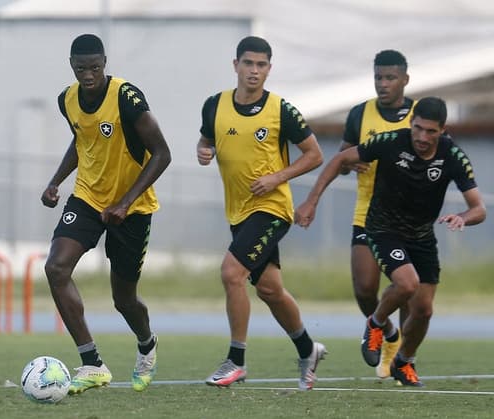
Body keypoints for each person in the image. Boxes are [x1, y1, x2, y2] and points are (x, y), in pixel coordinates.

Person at [295, 97, 486, 386]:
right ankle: (376, 323)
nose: (422, 137)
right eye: (417, 128)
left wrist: (463, 217)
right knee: (405, 284)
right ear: (411, 123)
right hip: (383, 228)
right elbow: (340, 159)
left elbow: (479, 209)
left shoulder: (453, 156)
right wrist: (311, 201)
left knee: (424, 311)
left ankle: (403, 361)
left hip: (421, 236)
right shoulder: (391, 142)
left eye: (430, 132)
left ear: (442, 130)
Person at [41, 34, 171, 394]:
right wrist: (55, 181)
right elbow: (82, 141)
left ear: (104, 64)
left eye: (95, 68)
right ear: (72, 65)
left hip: (133, 207)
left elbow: (162, 153)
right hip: (87, 198)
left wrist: (126, 202)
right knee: (56, 267)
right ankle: (92, 363)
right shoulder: (66, 99)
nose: (88, 75)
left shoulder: (127, 98)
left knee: (123, 299)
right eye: (81, 68)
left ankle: (146, 343)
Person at [196, 36, 327, 391]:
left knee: (231, 273)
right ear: (235, 65)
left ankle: (235, 361)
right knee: (269, 289)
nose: (254, 71)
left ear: (269, 68)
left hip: (272, 209)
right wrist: (203, 151)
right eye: (248, 63)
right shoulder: (214, 105)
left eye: (262, 65)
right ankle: (307, 349)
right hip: (238, 212)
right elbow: (206, 140)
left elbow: (314, 155)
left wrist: (278, 177)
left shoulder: (281, 109)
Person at [338, 49, 414, 379]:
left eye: (390, 78)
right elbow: (342, 158)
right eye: (378, 78)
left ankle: (404, 358)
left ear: (405, 80)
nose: (383, 84)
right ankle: (387, 333)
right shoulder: (359, 114)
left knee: (409, 291)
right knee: (364, 288)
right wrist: (350, 162)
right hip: (368, 213)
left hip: (411, 219)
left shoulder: (419, 116)